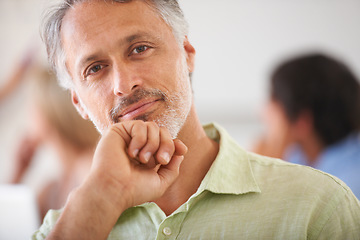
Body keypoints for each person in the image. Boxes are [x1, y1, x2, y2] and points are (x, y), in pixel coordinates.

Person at [33, 1, 360, 239]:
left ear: (187, 53)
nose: (123, 84)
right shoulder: (62, 229)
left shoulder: (318, 205)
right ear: (79, 103)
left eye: (139, 48)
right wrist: (101, 197)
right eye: (95, 69)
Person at [252, 53, 360, 199]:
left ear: (301, 122)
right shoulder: (298, 156)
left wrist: (262, 175)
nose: (262, 112)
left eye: (273, 99)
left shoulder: (345, 190)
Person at [10, 66, 100, 220]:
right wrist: (17, 173)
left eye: (32, 104)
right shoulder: (51, 188)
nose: (28, 113)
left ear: (50, 109)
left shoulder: (88, 166)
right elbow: (9, 226)